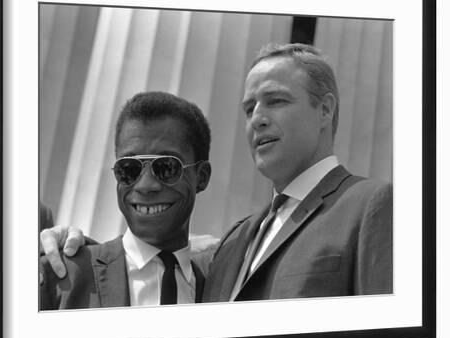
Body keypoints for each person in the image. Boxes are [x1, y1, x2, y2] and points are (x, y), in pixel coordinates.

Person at [42, 43, 392, 302]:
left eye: (276, 101)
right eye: (249, 107)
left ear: (325, 110)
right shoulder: (237, 239)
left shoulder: (373, 204)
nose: (258, 118)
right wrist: (71, 245)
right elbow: (148, 257)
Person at [39, 92, 212, 309]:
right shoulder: (60, 275)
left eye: (167, 166)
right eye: (129, 169)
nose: (146, 185)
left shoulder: (219, 292)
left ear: (202, 176)